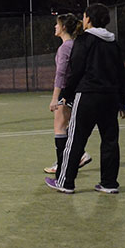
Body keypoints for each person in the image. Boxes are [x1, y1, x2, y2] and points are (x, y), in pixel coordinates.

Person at [45, 3, 125, 194]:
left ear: (89, 19)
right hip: (110, 98)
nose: (83, 20)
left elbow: (76, 70)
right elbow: (120, 74)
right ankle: (109, 184)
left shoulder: (84, 41)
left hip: (88, 96)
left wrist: (66, 95)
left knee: (75, 139)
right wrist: (123, 101)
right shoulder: (113, 43)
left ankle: (65, 182)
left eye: (84, 17)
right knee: (110, 140)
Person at [44, 14, 92, 174]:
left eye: (57, 25)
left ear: (64, 27)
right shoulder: (76, 44)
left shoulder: (65, 47)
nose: (55, 27)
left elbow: (61, 74)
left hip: (66, 91)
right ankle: (79, 155)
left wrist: (54, 98)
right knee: (68, 126)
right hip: (76, 90)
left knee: (60, 127)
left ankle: (62, 164)